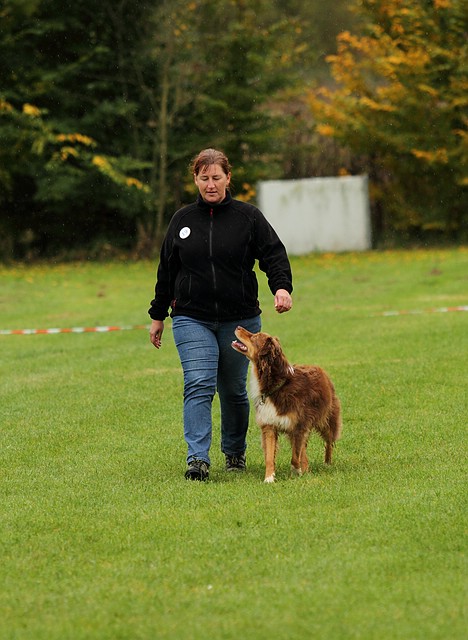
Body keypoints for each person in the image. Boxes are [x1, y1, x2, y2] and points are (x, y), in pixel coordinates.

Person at [148, 148, 293, 481]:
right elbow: (166, 270)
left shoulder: (248, 217)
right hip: (191, 316)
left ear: (228, 178)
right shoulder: (182, 220)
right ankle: (197, 459)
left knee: (233, 389)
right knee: (199, 382)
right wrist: (158, 315)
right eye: (204, 178)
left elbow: (273, 254)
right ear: (195, 179)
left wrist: (282, 287)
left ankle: (234, 452)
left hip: (239, 320)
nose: (210, 184)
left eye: (216, 177)